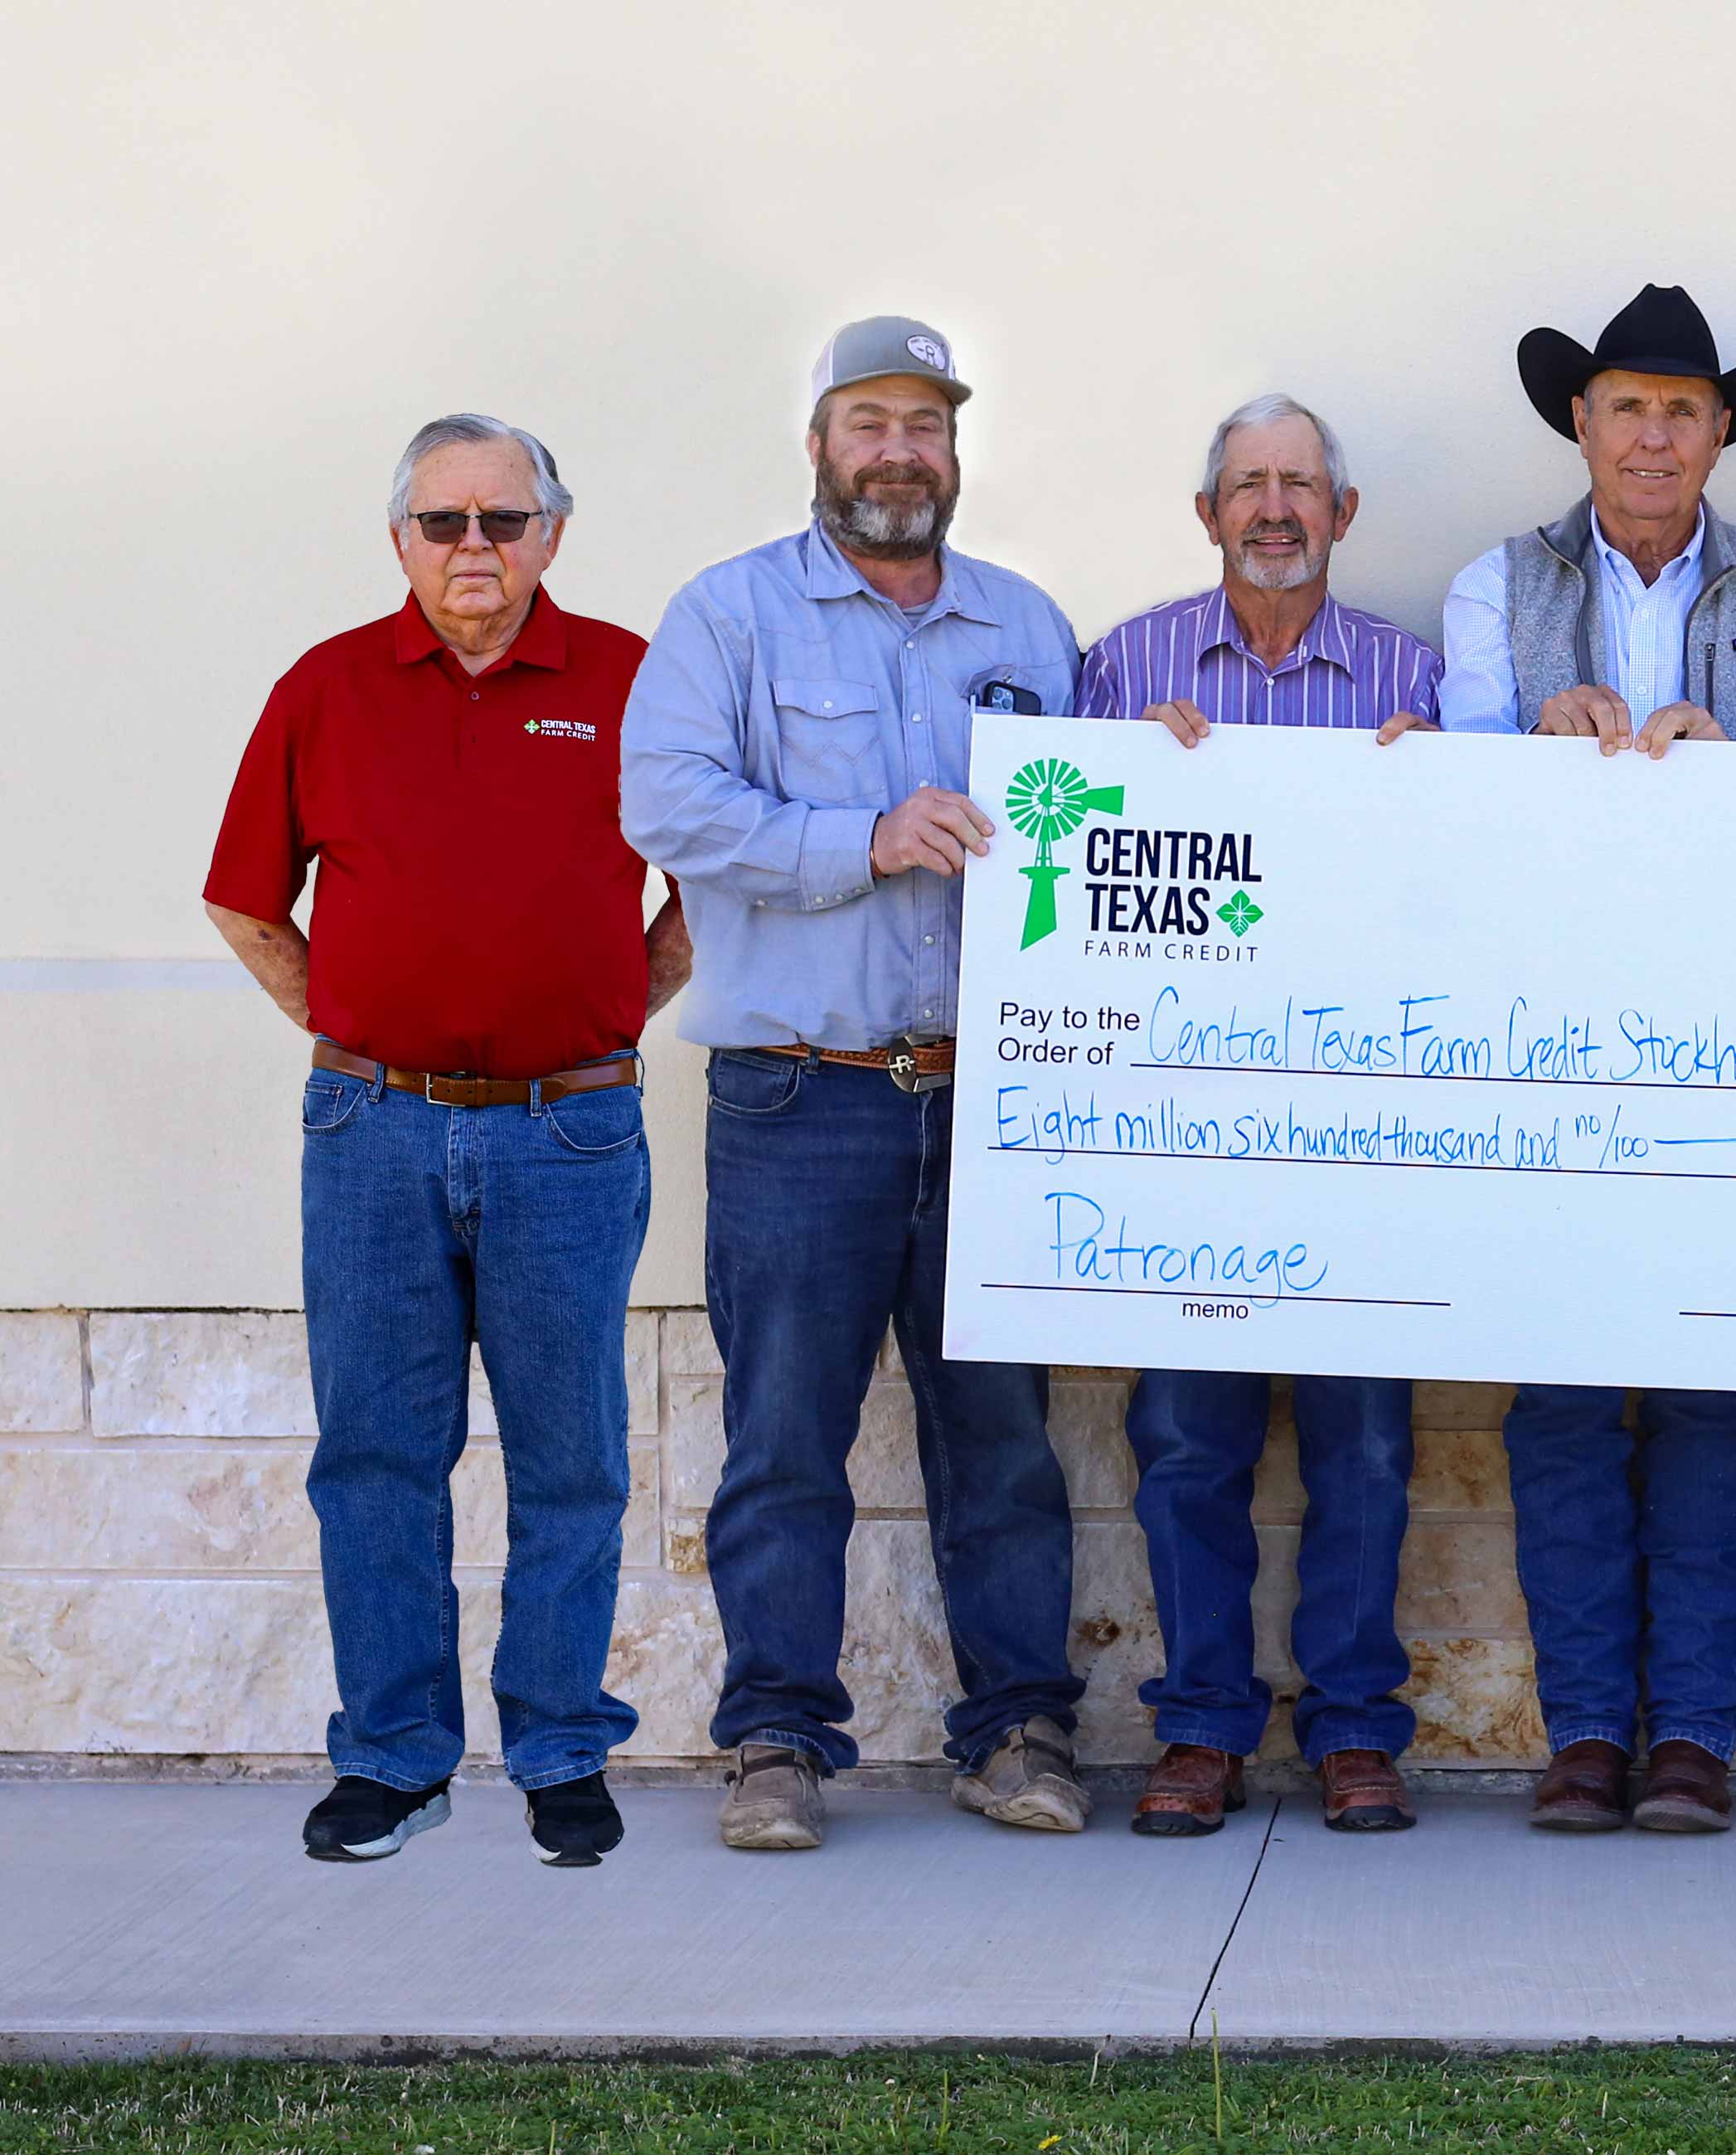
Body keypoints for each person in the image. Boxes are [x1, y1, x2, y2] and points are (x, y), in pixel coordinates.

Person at [620, 317, 1088, 1852]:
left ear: (957, 451)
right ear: (819, 443)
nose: (900, 453)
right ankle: (774, 1741)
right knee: (783, 1437)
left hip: (991, 1098)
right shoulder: (728, 615)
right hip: (796, 1097)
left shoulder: (1026, 626)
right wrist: (861, 840)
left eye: (926, 427)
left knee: (1002, 1438)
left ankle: (1018, 1730)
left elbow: (1096, 832)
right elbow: (666, 801)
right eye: (869, 423)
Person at [206, 413, 686, 1866]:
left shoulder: (631, 681)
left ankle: (556, 1751)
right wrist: (347, 1031)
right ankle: (396, 1756)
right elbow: (242, 898)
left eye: (502, 520)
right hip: (372, 1131)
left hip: (573, 1134)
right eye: (442, 523)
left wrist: (617, 1018)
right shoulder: (328, 686)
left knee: (572, 1461)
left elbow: (715, 880)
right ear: (399, 538)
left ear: (553, 531)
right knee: (374, 1454)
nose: (472, 548)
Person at [1440, 282, 1736, 1832]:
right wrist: (1544, 750)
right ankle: (1585, 1733)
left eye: (1683, 408)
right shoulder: (1495, 587)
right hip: (1541, 1059)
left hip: (1734, 1063)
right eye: (1627, 406)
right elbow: (1453, 812)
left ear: (1721, 428)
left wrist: (1731, 785)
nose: (1655, 434)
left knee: (1704, 1411)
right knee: (1556, 1412)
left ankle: (1692, 1737)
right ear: (1581, 424)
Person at [1079, 392, 1440, 1836]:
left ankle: (1356, 1729)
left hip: (1364, 1134)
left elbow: (1486, 897)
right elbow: (1061, 869)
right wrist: (1121, 787)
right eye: (1248, 485)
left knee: (1363, 1449)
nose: (1275, 508)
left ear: (1342, 516)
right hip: (1185, 1145)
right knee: (1186, 1447)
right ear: (1207, 514)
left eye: (1302, 485)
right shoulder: (1123, 669)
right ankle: (1204, 1730)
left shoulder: (1419, 679)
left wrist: (1448, 793)